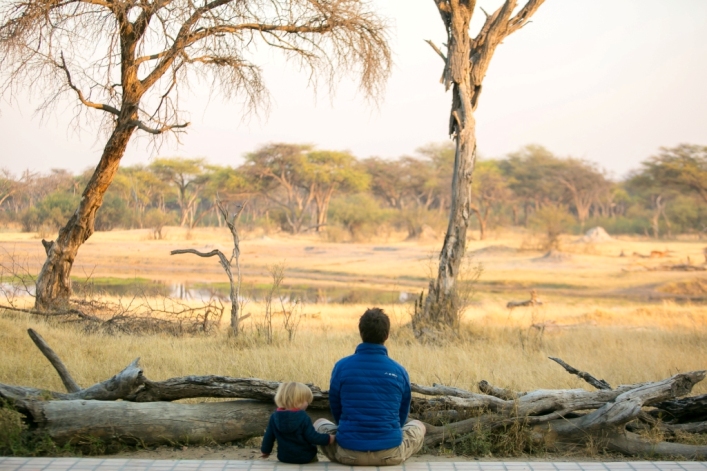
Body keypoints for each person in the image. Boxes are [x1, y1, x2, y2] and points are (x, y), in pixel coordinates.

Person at [314, 307, 426, 466]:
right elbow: (402, 414)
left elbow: (336, 408)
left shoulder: (341, 366)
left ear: (361, 333)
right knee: (418, 426)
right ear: (386, 335)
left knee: (319, 423)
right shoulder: (399, 371)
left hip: (348, 452)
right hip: (390, 453)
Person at [261, 381, 335, 464]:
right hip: (306, 457)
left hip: (284, 457)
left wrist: (265, 451)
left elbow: (268, 437)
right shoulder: (303, 417)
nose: (308, 403)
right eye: (307, 400)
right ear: (298, 401)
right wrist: (329, 438)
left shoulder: (274, 417)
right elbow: (312, 437)